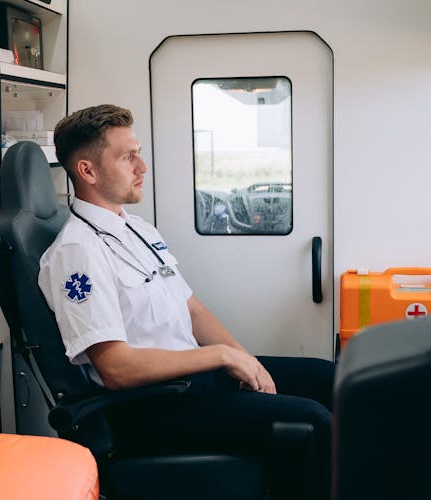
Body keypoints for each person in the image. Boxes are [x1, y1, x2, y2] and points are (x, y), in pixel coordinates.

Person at [38, 104, 333, 499]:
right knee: (311, 421)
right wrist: (222, 358)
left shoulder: (136, 229)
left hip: (190, 382)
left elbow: (192, 309)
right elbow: (116, 368)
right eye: (128, 157)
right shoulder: (77, 252)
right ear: (87, 171)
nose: (142, 166)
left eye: (138, 152)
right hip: (148, 406)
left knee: (327, 378)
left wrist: (247, 361)